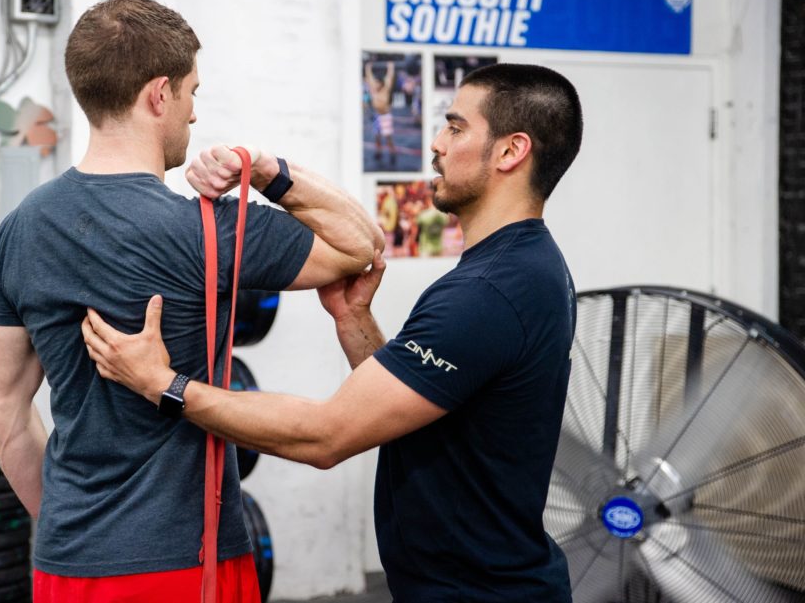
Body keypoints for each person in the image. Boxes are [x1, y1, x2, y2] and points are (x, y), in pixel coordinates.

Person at [82, 63, 584, 602]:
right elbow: (410, 414)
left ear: (511, 152)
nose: (436, 143)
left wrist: (162, 383)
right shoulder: (523, 267)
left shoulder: (490, 291)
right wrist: (354, 322)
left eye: (456, 128)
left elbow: (325, 436)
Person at [0, 0, 383, 602]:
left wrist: (73, 526)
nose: (194, 116)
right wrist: (268, 169)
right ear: (159, 95)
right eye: (193, 94)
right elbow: (361, 245)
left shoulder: (18, 229)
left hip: (68, 561)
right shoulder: (205, 226)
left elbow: (1, 410)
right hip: (187, 563)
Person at [365, 60, 397, 167]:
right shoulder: (373, 90)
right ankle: (378, 153)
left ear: (381, 83)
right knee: (377, 137)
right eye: (376, 83)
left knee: (388, 138)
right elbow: (369, 77)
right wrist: (368, 67)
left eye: (378, 83)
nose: (376, 84)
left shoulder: (385, 89)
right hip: (377, 116)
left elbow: (389, 77)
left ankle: (393, 155)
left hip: (385, 116)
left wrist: (390, 67)